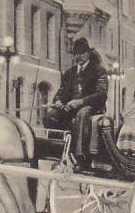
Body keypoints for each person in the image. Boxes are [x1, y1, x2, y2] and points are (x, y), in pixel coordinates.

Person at [43, 37, 108, 170]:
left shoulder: (98, 70)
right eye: (76, 53)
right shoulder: (69, 73)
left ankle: (81, 157)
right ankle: (58, 151)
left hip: (93, 108)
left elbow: (102, 94)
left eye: (82, 53)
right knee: (50, 116)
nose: (79, 56)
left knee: (82, 114)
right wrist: (59, 101)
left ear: (88, 53)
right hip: (71, 108)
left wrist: (81, 102)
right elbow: (61, 93)